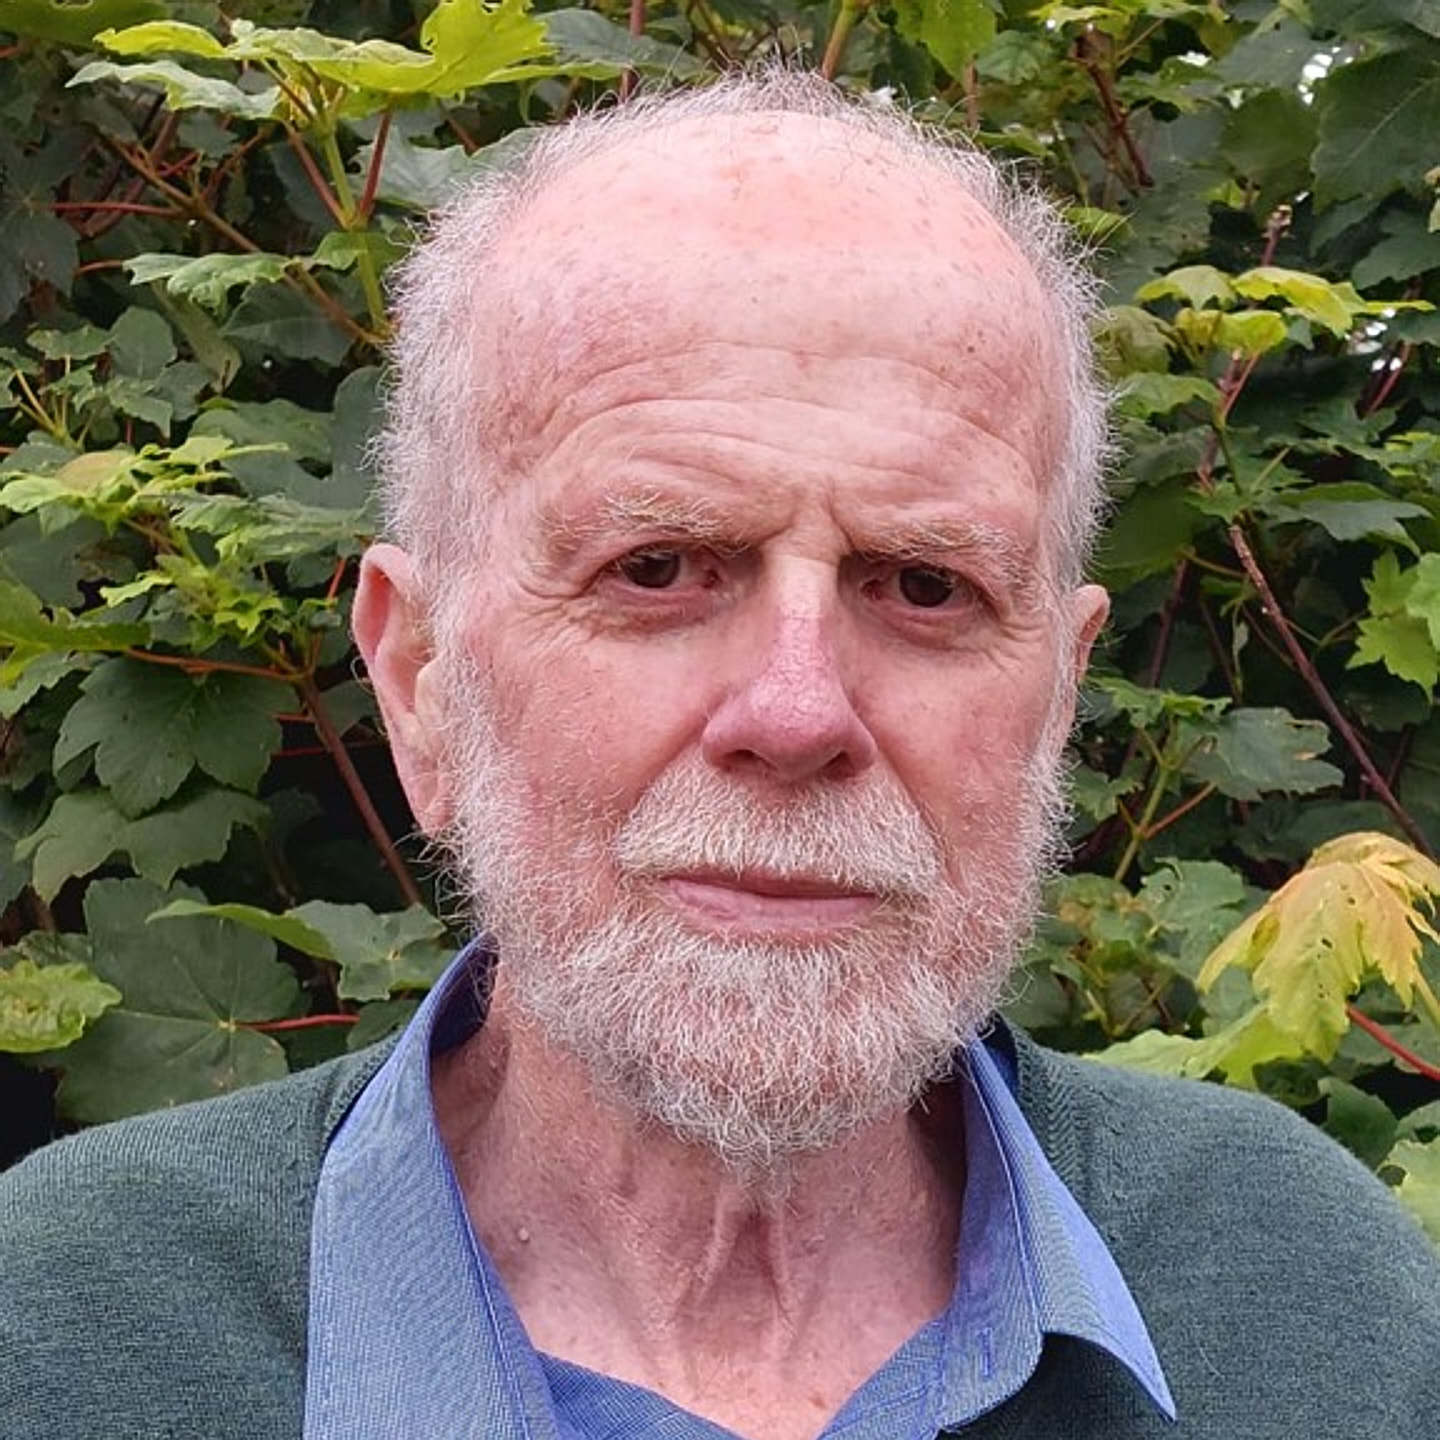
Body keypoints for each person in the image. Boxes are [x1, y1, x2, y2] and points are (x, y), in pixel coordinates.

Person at [3, 72, 1437, 1440]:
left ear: (1057, 697)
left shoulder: (1314, 1301)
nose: (799, 714)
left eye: (924, 586)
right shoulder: (62, 1333)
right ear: (422, 680)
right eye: (658, 568)